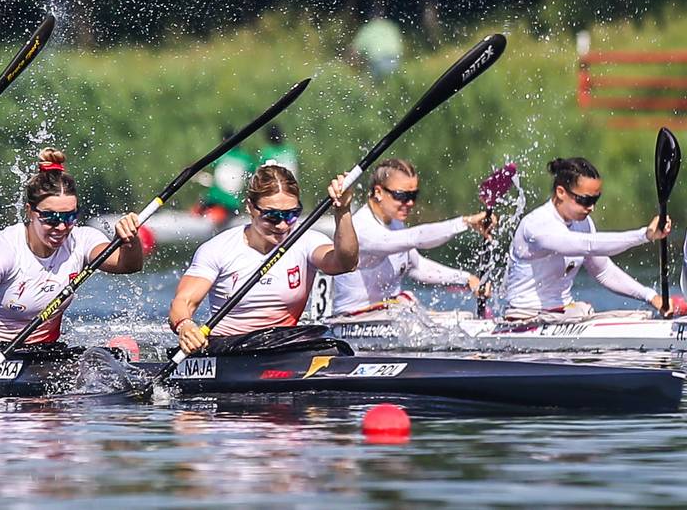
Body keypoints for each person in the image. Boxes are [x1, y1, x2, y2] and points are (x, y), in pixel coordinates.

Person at [0, 148, 142, 383]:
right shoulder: (4, 248)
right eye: (51, 218)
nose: (61, 227)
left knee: (111, 359)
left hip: (44, 352)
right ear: (30, 211)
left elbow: (126, 265)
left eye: (69, 217)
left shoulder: (81, 240)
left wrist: (131, 240)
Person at [171, 163, 358, 355]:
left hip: (284, 345)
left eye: (292, 215)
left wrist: (342, 210)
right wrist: (186, 326)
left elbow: (345, 263)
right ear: (251, 207)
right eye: (273, 216)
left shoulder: (306, 241)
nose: (283, 225)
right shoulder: (219, 249)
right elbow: (183, 301)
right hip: (229, 350)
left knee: (330, 342)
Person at [503, 157, 684, 319]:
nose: (591, 208)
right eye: (585, 200)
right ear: (560, 192)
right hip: (524, 317)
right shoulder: (537, 225)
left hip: (563, 314)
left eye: (595, 200)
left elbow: (603, 272)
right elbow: (587, 246)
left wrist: (651, 296)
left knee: (640, 317)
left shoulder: (584, 223)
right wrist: (644, 235)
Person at [330, 159, 492, 316]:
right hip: (351, 318)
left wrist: (468, 279)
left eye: (414, 195)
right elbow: (415, 238)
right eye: (402, 196)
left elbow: (418, 267)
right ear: (378, 192)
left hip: (389, 313)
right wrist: (465, 222)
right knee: (408, 302)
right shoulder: (362, 228)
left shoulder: (395, 224)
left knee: (459, 317)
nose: (410, 203)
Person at [198, 126, 256, 225]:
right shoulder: (247, 159)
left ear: (224, 140)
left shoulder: (220, 155)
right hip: (233, 205)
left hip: (214, 200)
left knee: (200, 206)